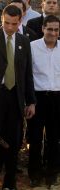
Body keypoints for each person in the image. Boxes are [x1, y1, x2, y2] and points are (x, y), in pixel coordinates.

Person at [0, 5, 36, 189]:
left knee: (14, 142)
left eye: (14, 24)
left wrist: (30, 101)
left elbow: (27, 74)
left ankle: (10, 182)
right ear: (1, 20)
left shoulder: (24, 41)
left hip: (15, 98)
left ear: (20, 22)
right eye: (6, 23)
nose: (9, 27)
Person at [27, 15, 60, 188]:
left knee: (54, 138)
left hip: (58, 98)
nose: (53, 33)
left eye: (56, 30)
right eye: (49, 29)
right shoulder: (32, 47)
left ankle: (52, 172)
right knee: (35, 138)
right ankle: (34, 172)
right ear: (43, 29)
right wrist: (30, 101)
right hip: (38, 98)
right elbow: (27, 75)